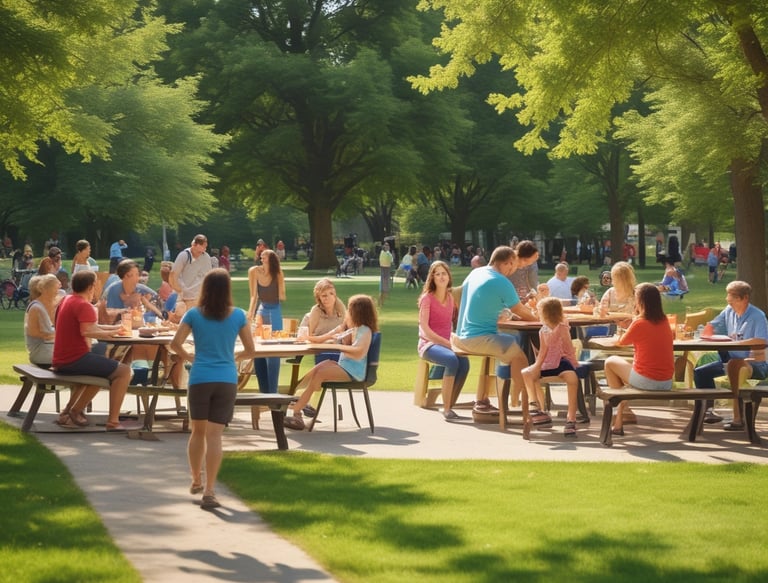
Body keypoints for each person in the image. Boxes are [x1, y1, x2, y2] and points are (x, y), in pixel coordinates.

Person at [170, 268, 256, 510]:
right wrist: (233, 358)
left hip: (200, 378)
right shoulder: (238, 315)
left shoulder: (194, 315)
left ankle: (196, 478)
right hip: (226, 379)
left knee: (197, 432)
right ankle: (210, 491)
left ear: (204, 289)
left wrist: (190, 356)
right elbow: (251, 350)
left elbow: (175, 343)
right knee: (215, 435)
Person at [452, 245, 537, 414]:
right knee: (520, 356)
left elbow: (456, 295)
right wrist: (540, 319)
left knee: (509, 344)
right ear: (507, 263)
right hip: (478, 339)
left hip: (460, 336)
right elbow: (519, 310)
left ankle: (485, 399)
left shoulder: (476, 272)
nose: (514, 270)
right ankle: (525, 404)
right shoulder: (501, 281)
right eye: (513, 265)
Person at [52, 270, 134, 431]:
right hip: (74, 359)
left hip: (63, 358)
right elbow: (87, 331)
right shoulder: (84, 305)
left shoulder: (68, 299)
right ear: (91, 287)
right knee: (124, 371)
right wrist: (111, 332)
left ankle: (71, 411)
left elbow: (90, 326)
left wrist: (114, 328)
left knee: (106, 366)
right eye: (96, 285)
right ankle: (112, 421)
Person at [284, 294, 378, 430]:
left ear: (358, 313)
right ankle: (296, 394)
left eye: (350, 310)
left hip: (353, 372)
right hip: (345, 367)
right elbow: (331, 338)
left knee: (321, 373)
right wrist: (309, 338)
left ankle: (298, 408)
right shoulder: (352, 329)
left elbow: (359, 353)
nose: (347, 313)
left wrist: (339, 346)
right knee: (320, 366)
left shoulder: (365, 331)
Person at [694, 281, 768, 429]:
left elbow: (762, 340)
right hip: (731, 359)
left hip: (755, 363)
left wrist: (737, 344)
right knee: (701, 373)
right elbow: (713, 325)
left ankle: (738, 419)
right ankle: (709, 411)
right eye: (728, 296)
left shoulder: (758, 316)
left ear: (745, 298)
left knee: (735, 367)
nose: (728, 301)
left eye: (732, 298)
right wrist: (708, 329)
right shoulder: (729, 310)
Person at [603, 283, 674, 436]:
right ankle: (619, 420)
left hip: (648, 381)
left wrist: (626, 326)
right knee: (627, 371)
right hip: (666, 381)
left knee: (610, 362)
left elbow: (621, 342)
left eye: (635, 298)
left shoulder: (640, 322)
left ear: (640, 301)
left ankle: (617, 411)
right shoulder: (664, 321)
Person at [418, 261, 470, 420]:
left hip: (448, 343)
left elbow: (456, 322)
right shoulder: (427, 299)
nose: (441, 277)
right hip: (429, 344)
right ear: (432, 278)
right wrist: (448, 344)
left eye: (444, 273)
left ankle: (449, 404)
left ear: (449, 276)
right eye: (437, 274)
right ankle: (447, 409)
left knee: (465, 363)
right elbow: (425, 329)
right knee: (451, 360)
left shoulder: (450, 297)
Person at [521, 297, 580, 436]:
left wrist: (574, 363)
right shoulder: (543, 330)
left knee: (572, 378)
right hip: (546, 363)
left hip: (561, 362)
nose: (537, 313)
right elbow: (542, 352)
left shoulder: (562, 327)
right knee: (526, 373)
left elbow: (568, 347)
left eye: (539, 311)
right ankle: (535, 406)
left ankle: (571, 418)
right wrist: (537, 366)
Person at [247, 248, 286, 393]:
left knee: (274, 349)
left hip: (275, 309)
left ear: (272, 260)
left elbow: (282, 297)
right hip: (262, 309)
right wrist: (250, 313)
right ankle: (264, 390)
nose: (262, 259)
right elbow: (253, 296)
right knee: (259, 348)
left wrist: (279, 285)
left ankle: (273, 390)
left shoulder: (278, 273)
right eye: (261, 257)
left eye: (265, 257)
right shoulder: (253, 271)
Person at [170, 234, 213, 309]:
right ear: (194, 244)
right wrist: (179, 290)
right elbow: (174, 275)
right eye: (202, 247)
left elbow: (208, 276)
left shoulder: (206, 257)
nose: (203, 250)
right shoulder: (184, 256)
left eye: (205, 247)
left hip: (198, 297)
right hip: (183, 296)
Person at [378, 241, 393, 306]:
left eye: (388, 245)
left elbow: (391, 261)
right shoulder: (385, 253)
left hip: (387, 269)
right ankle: (381, 301)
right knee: (384, 288)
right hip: (384, 269)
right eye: (385, 245)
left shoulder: (387, 253)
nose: (387, 246)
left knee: (385, 287)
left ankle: (381, 301)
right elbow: (390, 260)